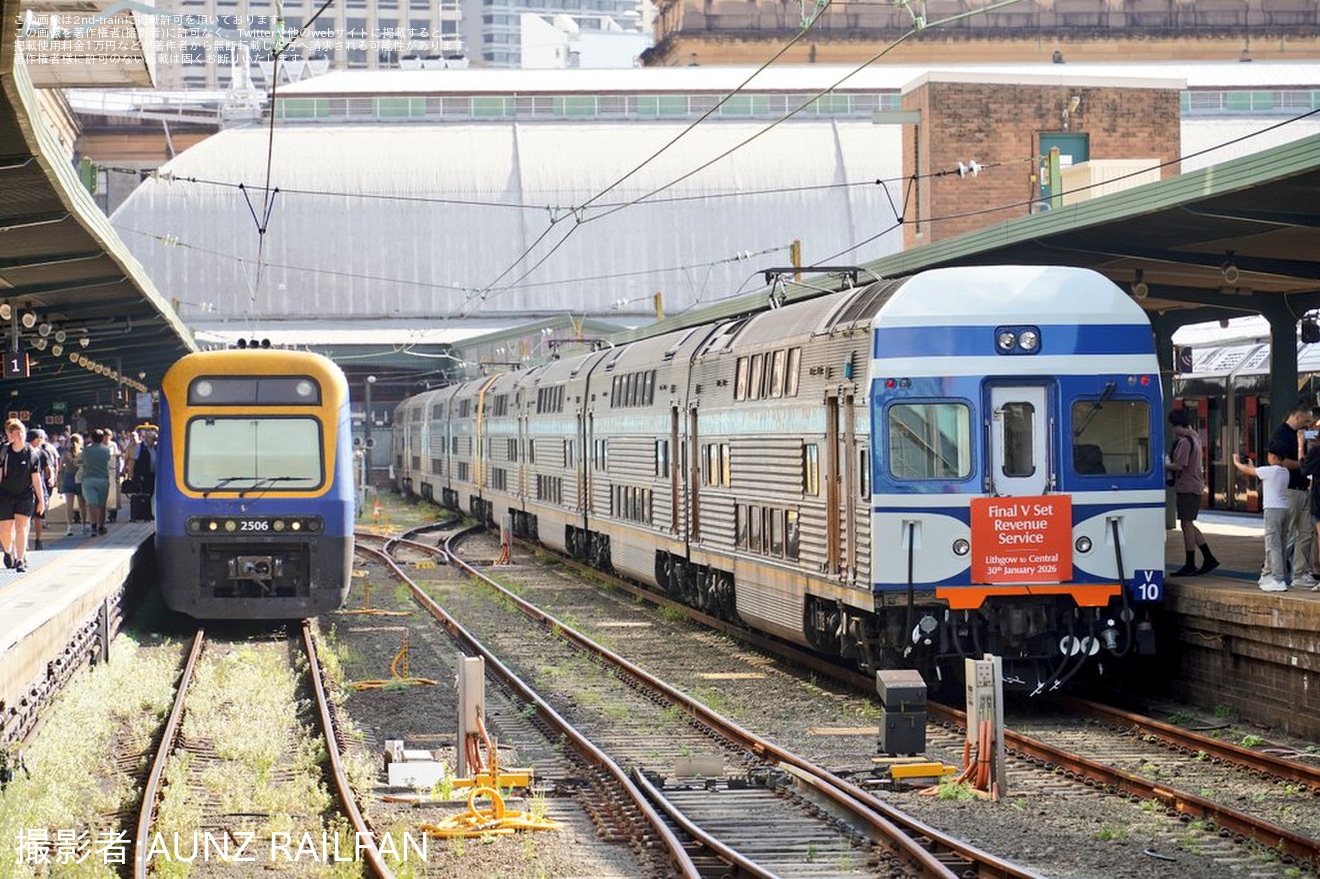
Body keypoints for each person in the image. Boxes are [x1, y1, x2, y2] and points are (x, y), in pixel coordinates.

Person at [1233, 440, 1293, 591]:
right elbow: (1257, 472)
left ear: (1272, 456)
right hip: (1284, 509)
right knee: (1281, 543)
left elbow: (1248, 472)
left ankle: (1278, 580)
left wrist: (1236, 462)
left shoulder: (1270, 471)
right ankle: (1273, 575)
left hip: (1272, 510)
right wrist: (1252, 465)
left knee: (1273, 544)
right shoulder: (1284, 471)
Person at [1166, 409, 1218, 576]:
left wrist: (1161, 464)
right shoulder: (1194, 436)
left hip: (1187, 487)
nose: (1172, 431)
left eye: (1173, 427)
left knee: (1186, 525)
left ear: (1178, 425)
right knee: (1188, 523)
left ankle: (1191, 563)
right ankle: (1208, 558)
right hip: (1193, 486)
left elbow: (1179, 466)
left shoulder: (1185, 441)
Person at [1270, 404, 1316, 587]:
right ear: (1296, 417)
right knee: (1287, 532)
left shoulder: (1304, 435)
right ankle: (1276, 572)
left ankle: (1300, 573)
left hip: (1304, 489)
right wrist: (1304, 464)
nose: (1308, 425)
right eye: (1306, 421)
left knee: (1306, 532)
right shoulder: (1281, 434)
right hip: (1289, 489)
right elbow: (1276, 461)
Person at [0, 419, 46, 573]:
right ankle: (8, 551)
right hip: (5, 494)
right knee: (5, 531)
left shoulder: (32, 453)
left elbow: (36, 477)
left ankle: (21, 559)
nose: (19, 435)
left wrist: (41, 499)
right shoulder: (4, 452)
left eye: (21, 432)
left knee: (22, 526)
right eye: (15, 433)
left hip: (25, 494)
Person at [26, 428, 58, 551]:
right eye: (40, 438)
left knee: (38, 516)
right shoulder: (27, 452)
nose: (42, 441)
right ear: (36, 439)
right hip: (26, 488)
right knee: (27, 517)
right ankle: (26, 542)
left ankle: (38, 540)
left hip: (39, 487)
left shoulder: (42, 453)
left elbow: (49, 468)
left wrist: (51, 478)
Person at [80, 429, 112, 536]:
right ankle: (101, 527)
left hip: (88, 479)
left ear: (91, 438)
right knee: (101, 505)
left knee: (91, 504)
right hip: (103, 479)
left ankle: (93, 526)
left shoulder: (86, 450)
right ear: (102, 438)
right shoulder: (106, 450)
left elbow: (82, 461)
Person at [61, 432, 86, 536]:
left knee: (69, 505)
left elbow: (60, 467)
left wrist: (61, 479)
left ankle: (69, 527)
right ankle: (84, 526)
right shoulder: (82, 454)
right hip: (79, 479)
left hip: (68, 478)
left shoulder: (65, 454)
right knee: (82, 505)